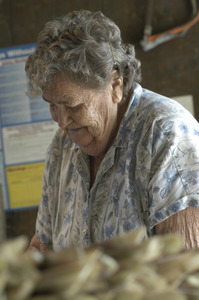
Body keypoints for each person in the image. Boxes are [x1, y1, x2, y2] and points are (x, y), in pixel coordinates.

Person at [25, 9, 199, 253]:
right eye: (52, 105)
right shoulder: (62, 146)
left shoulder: (166, 134)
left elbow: (188, 270)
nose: (61, 121)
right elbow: (43, 245)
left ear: (115, 85)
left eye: (72, 105)